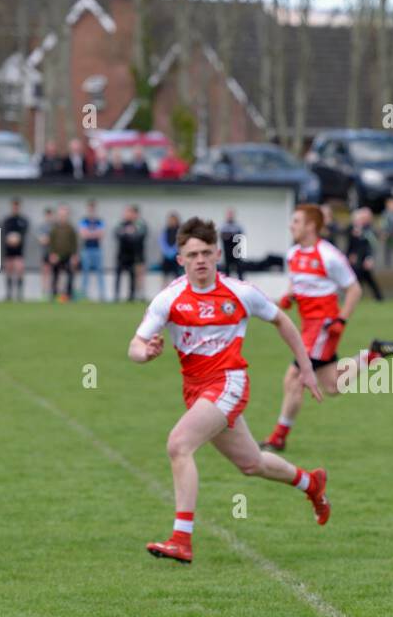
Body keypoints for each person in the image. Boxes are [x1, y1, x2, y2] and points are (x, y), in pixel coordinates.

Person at [129, 217, 332, 565]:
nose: (200, 260)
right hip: (195, 390)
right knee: (251, 463)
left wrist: (307, 368)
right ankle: (310, 483)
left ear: (218, 254)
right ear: (180, 259)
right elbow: (136, 343)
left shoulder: (239, 292)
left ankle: (181, 539)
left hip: (228, 383)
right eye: (192, 254)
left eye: (206, 252)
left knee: (179, 445)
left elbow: (282, 321)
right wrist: (144, 354)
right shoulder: (170, 297)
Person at [260, 205, 393, 452]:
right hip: (307, 325)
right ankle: (373, 354)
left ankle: (278, 437)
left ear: (310, 225)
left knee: (295, 377)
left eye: (296, 221)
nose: (291, 225)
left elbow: (354, 289)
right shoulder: (293, 254)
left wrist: (341, 320)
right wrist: (290, 297)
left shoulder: (329, 255)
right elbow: (297, 284)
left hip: (323, 326)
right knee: (332, 385)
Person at [345, 207, 383, 300]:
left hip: (363, 258)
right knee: (359, 278)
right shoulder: (351, 229)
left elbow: (370, 245)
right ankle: (377, 297)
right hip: (355, 259)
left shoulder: (368, 230)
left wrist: (369, 257)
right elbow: (350, 244)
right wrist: (349, 255)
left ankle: (377, 297)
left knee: (363, 279)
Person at [114, 204, 147, 302]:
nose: (128, 214)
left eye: (130, 212)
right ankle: (117, 295)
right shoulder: (122, 224)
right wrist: (127, 233)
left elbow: (140, 237)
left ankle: (133, 296)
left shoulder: (141, 224)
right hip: (122, 255)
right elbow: (117, 234)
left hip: (135, 256)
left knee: (135, 277)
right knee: (118, 275)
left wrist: (130, 234)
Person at [47, 204, 79, 302]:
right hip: (56, 256)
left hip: (68, 256)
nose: (62, 217)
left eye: (64, 215)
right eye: (61, 215)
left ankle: (69, 295)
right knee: (55, 275)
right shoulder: (54, 229)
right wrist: (52, 254)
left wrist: (74, 255)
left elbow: (74, 243)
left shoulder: (71, 228)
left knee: (70, 275)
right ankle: (54, 294)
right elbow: (51, 243)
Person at [1, 198, 29, 302]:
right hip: (8, 251)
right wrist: (10, 239)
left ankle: (19, 294)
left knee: (19, 270)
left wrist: (16, 239)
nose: (15, 208)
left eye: (17, 206)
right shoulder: (7, 220)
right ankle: (9, 294)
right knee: (8, 271)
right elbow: (5, 234)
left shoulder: (23, 220)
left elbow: (23, 234)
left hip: (19, 252)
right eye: (14, 206)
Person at [78, 201, 105, 301]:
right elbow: (83, 235)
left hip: (97, 249)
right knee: (85, 272)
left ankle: (102, 296)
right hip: (86, 250)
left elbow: (101, 235)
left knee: (100, 273)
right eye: (90, 209)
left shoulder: (99, 221)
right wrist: (94, 233)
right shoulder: (84, 221)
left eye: (93, 209)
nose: (91, 211)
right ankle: (83, 295)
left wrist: (89, 233)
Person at [219, 208, 245, 279]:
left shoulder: (238, 226)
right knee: (227, 267)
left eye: (231, 214)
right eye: (228, 214)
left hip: (237, 250)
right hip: (227, 251)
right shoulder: (223, 226)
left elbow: (242, 237)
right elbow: (222, 237)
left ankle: (241, 281)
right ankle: (226, 282)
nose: (230, 216)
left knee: (239, 267)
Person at [36, 206, 55, 300]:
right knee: (45, 272)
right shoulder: (41, 226)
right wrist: (48, 239)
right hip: (45, 252)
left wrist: (48, 239)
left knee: (54, 273)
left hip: (54, 253)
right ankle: (44, 293)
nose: (49, 217)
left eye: (50, 215)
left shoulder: (56, 226)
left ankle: (54, 293)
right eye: (47, 215)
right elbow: (41, 240)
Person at [159, 212, 182, 281]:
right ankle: (164, 288)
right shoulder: (166, 230)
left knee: (176, 274)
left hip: (176, 255)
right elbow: (162, 241)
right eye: (170, 220)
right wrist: (167, 251)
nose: (172, 222)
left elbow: (180, 241)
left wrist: (174, 250)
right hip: (166, 256)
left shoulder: (180, 230)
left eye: (173, 220)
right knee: (165, 274)